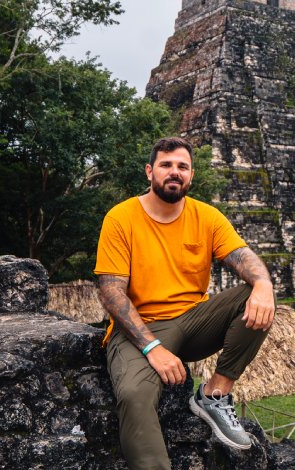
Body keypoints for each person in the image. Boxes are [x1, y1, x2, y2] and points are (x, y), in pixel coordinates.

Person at [94, 136, 276, 470]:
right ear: (150, 172)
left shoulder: (206, 216)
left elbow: (242, 256)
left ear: (190, 176)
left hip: (194, 322)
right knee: (134, 397)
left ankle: (214, 394)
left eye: (182, 167)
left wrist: (264, 283)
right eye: (166, 165)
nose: (174, 172)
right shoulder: (121, 218)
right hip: (139, 328)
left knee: (257, 293)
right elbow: (111, 292)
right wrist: (152, 348)